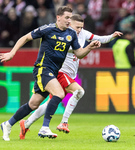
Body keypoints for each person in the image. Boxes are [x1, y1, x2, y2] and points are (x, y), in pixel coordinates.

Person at [0, 6, 101, 141]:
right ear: (58, 17)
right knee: (59, 93)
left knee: (33, 104)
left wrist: (89, 47)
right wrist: (12, 53)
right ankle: (44, 127)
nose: (68, 21)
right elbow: (25, 38)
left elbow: (79, 54)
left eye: (70, 18)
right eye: (66, 17)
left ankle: (7, 124)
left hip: (53, 72)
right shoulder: (47, 29)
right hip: (43, 68)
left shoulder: (71, 35)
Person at [18, 14, 123, 140]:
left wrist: (112, 36)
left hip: (69, 74)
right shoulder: (64, 35)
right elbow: (72, 50)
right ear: (69, 24)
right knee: (79, 91)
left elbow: (100, 38)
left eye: (81, 27)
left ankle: (26, 123)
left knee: (50, 103)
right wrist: (87, 47)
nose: (79, 30)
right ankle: (64, 122)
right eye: (77, 27)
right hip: (60, 72)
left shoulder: (82, 33)